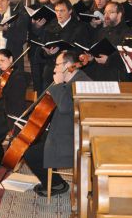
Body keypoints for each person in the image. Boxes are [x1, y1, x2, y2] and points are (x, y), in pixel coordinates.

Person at [23, 51, 91, 197]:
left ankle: (56, 184)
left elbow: (65, 107)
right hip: (64, 131)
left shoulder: (82, 83)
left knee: (30, 154)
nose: (54, 69)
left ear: (68, 65)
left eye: (57, 65)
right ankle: (54, 181)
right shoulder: (75, 79)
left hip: (72, 138)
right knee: (31, 141)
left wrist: (59, 84)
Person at [41, 0, 90, 87]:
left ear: (70, 11)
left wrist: (69, 53)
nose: (59, 14)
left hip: (70, 72)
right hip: (51, 71)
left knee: (66, 95)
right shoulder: (49, 27)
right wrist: (48, 53)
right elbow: (42, 51)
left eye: (62, 11)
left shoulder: (80, 27)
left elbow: (83, 51)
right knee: (49, 95)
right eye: (56, 11)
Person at [84, 1, 132, 81]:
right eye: (105, 13)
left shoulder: (128, 33)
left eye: (111, 12)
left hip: (117, 77)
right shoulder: (102, 31)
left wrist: (108, 60)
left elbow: (128, 57)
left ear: (119, 14)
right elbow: (95, 49)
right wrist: (91, 57)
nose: (106, 15)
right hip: (100, 76)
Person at [28, 0, 51, 96]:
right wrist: (35, 26)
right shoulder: (31, 9)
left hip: (49, 50)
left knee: (48, 82)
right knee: (37, 82)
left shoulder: (53, 8)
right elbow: (26, 29)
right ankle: (37, 105)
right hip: (35, 50)